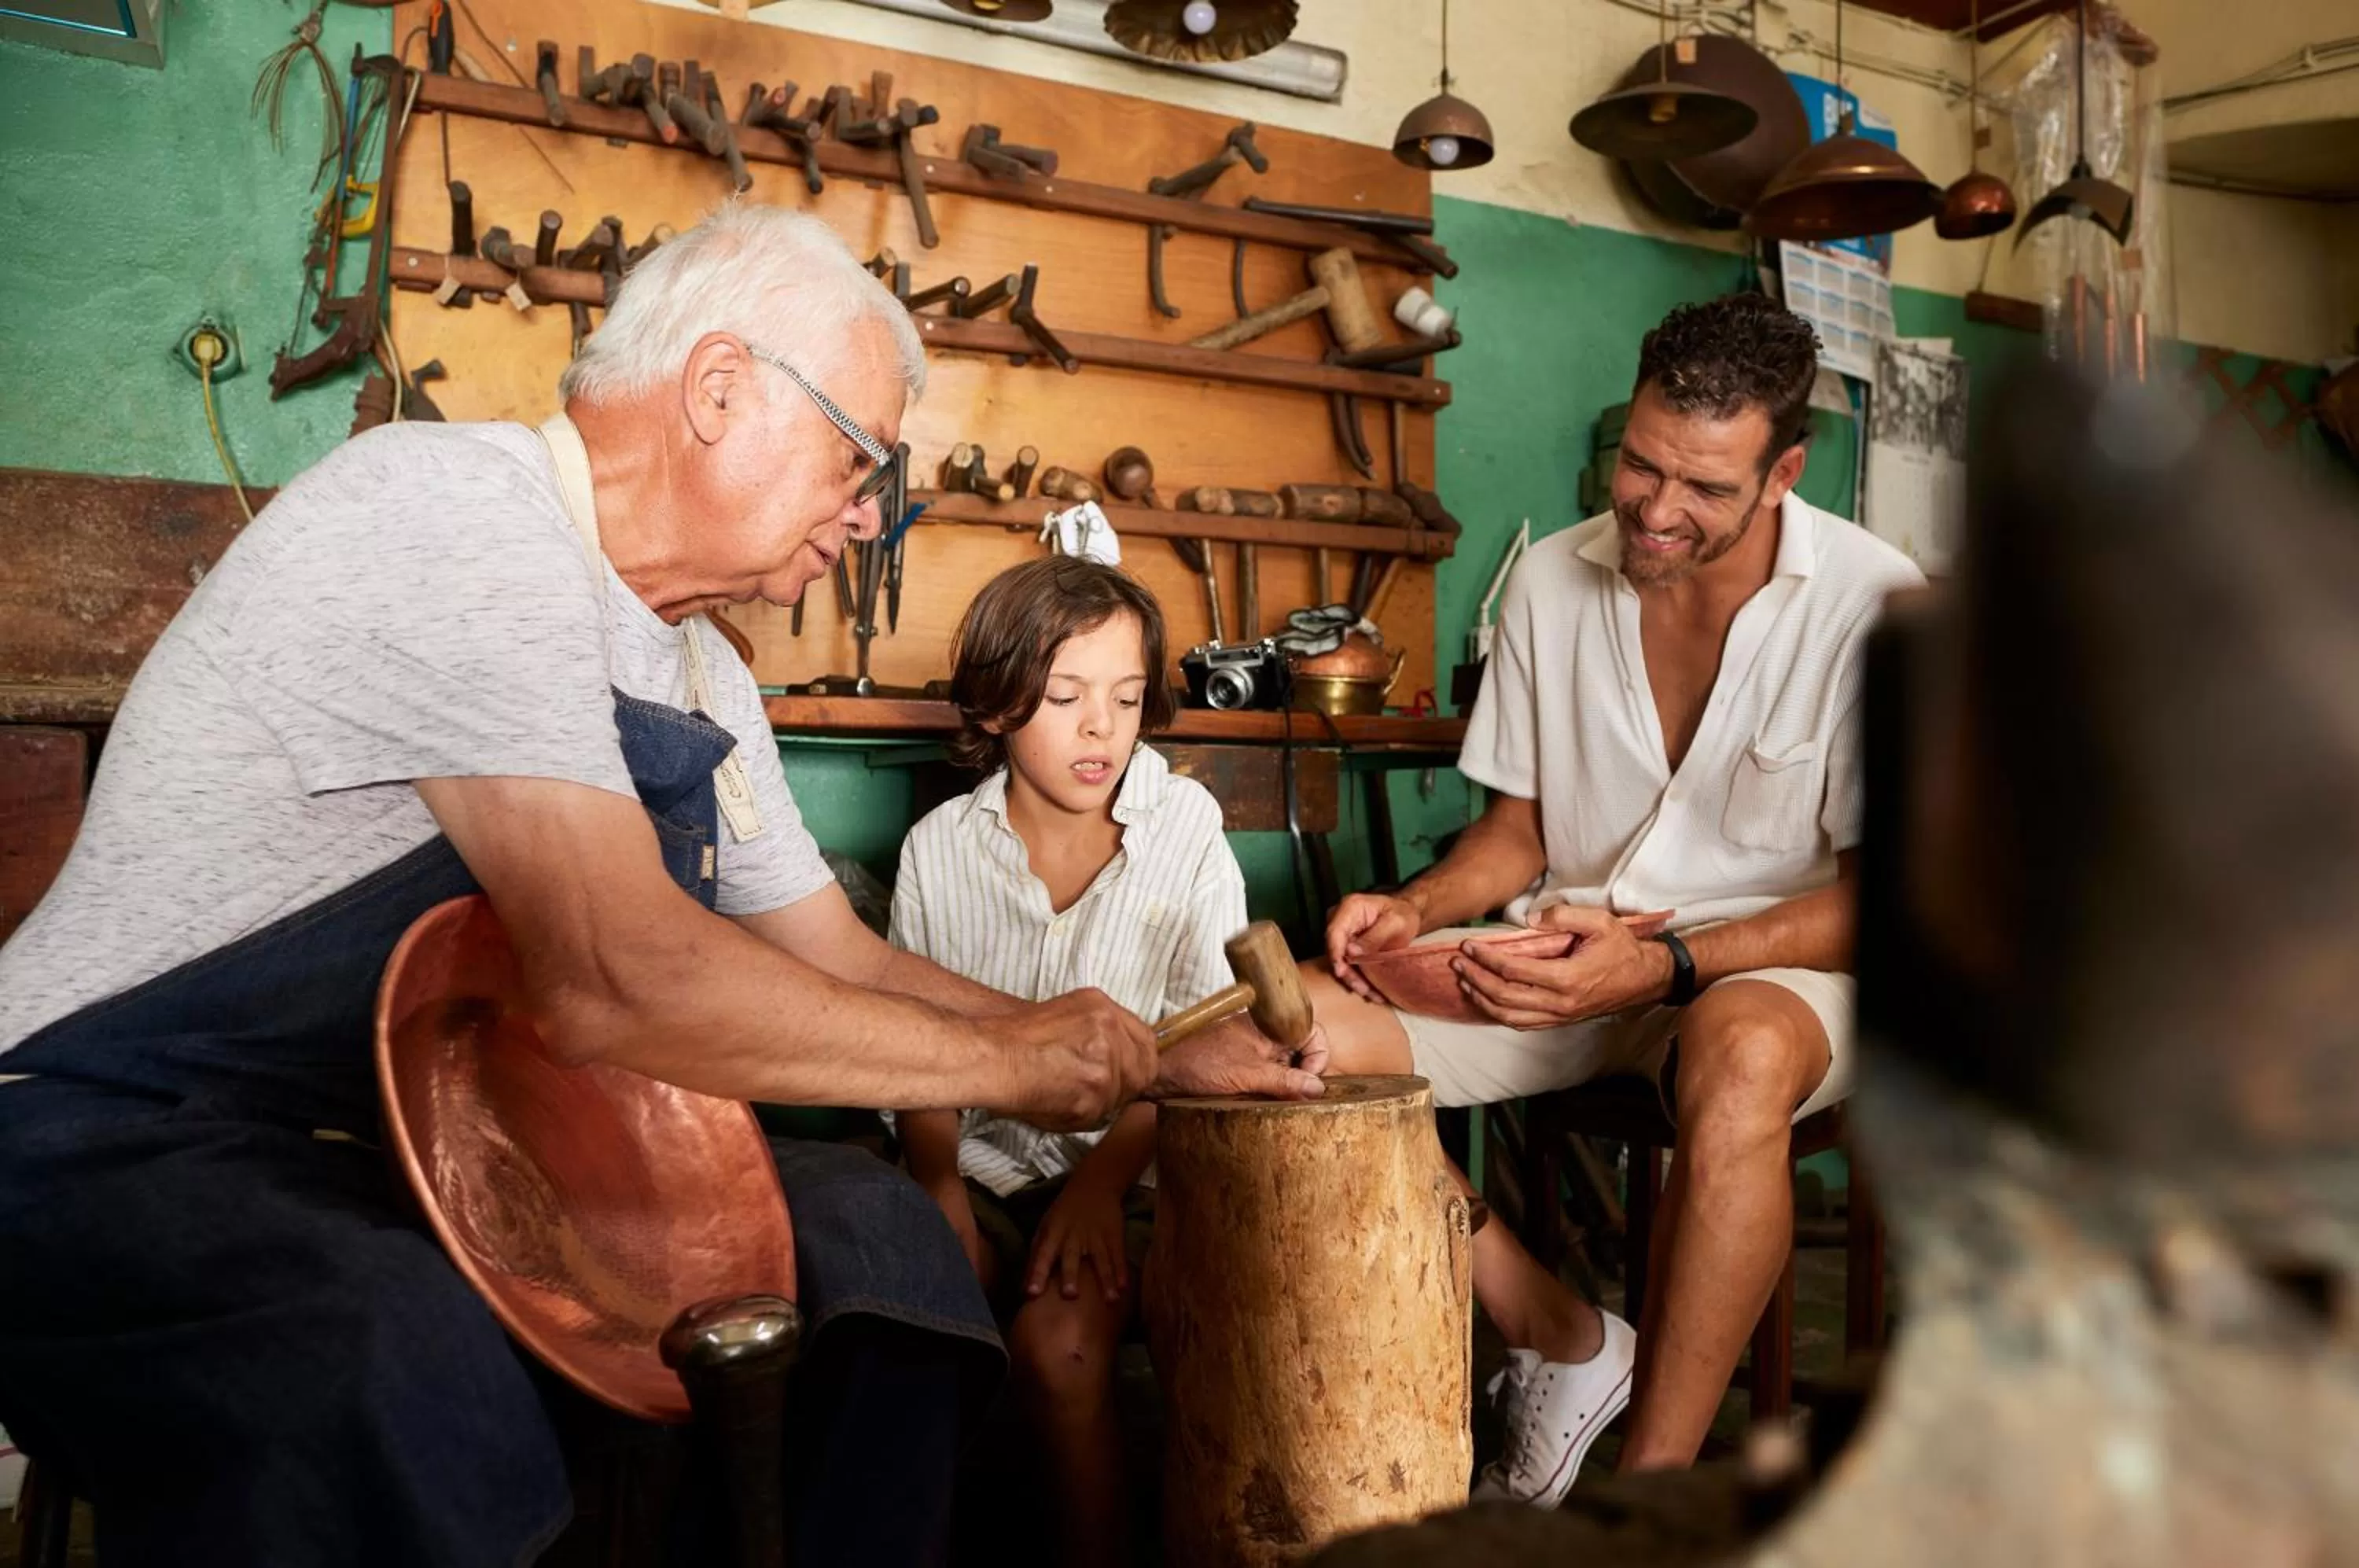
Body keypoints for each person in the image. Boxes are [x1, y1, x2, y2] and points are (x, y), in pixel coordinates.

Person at [0, 204, 1321, 1568]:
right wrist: (1014, 1059)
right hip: (112, 1123)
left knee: (880, 1248)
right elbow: (612, 974)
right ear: (719, 389)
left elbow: (839, 958)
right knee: (392, 1348)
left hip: (440, 1148)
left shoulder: (705, 673)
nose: (869, 513)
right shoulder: (454, 510)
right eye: (856, 456)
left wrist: (1137, 1056)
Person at [1302, 293, 1924, 1501]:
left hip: (1777, 976)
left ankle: (1648, 1492)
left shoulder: (1876, 602)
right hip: (1570, 959)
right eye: (1640, 462)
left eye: (1702, 487)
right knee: (1291, 1041)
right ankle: (1570, 1343)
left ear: (1784, 471)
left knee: (1738, 1053)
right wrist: (1419, 908)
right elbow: (1517, 832)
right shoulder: (1547, 580)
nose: (1653, 506)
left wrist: (1677, 964)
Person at [890, 557, 1240, 1566]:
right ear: (999, 702)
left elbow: (1201, 1045)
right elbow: (918, 1051)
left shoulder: (1185, 830)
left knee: (1063, 1348)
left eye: (1127, 698)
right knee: (914, 1322)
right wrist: (938, 1185)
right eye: (1066, 696)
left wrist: (1098, 1183)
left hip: (1134, 1160)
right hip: (981, 1162)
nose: (1102, 728)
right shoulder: (938, 850)